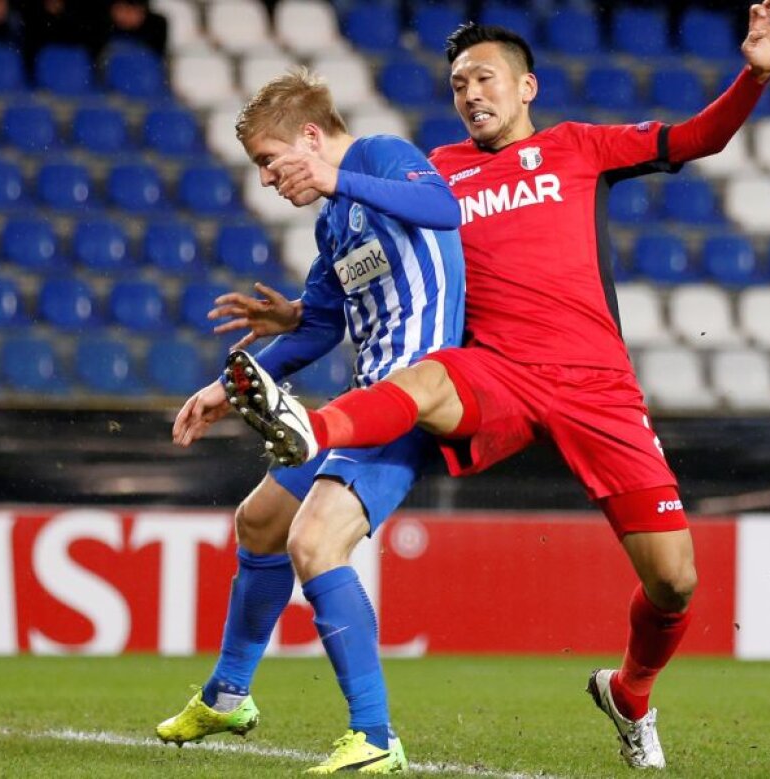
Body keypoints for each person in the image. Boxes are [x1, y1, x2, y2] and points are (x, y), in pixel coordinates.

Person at [221, 1, 770, 770]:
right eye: (458, 83)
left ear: (527, 85)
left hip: (597, 387)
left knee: (674, 580)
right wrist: (304, 311)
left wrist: (753, 76)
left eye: (484, 77)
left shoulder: (580, 148)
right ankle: (310, 427)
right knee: (425, 378)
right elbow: (387, 265)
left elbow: (696, 138)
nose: (469, 93)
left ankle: (630, 691)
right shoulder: (439, 169)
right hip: (495, 370)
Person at [155, 67, 466, 774]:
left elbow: (445, 210)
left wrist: (336, 181)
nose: (266, 179)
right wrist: (225, 389)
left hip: (413, 398)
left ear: (312, 137)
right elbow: (318, 326)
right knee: (259, 522)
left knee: (315, 541)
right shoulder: (334, 223)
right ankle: (229, 693)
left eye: (269, 161)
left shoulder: (383, 157)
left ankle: (376, 736)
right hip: (361, 403)